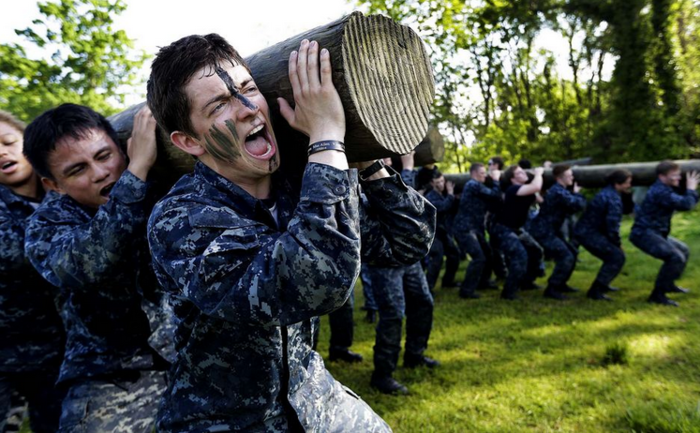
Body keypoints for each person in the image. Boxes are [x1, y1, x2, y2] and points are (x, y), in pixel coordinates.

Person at [146, 34, 435, 431]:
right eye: (220, 104)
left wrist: (362, 157)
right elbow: (318, 281)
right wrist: (328, 139)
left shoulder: (302, 182)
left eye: (248, 89)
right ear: (189, 141)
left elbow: (409, 241)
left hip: (312, 399)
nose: (248, 109)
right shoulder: (179, 219)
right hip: (228, 420)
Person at [23, 104, 170, 432]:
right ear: (53, 185)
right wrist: (134, 175)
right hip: (109, 379)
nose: (100, 173)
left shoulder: (161, 187)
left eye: (104, 156)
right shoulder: (45, 226)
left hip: (186, 365)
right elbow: (88, 262)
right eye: (77, 170)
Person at [0, 110, 65, 433]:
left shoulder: (66, 189)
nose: (1, 152)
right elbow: (19, 253)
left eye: (9, 142)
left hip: (57, 350)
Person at [364, 152, 438, 395]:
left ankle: (415, 354)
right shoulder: (364, 176)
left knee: (423, 303)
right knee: (393, 314)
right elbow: (401, 199)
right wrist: (408, 165)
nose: (385, 159)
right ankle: (383, 374)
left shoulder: (388, 174)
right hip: (384, 260)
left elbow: (410, 202)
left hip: (407, 258)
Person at [629, 161, 699, 306]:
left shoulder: (667, 187)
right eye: (674, 176)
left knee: (683, 250)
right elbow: (686, 204)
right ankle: (657, 295)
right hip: (643, 233)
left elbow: (684, 197)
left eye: (679, 175)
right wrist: (691, 188)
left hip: (655, 232)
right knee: (675, 257)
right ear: (662, 176)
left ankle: (668, 284)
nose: (678, 178)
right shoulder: (660, 191)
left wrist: (687, 188)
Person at [529, 164, 587, 300]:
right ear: (560, 177)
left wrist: (574, 193)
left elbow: (571, 206)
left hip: (550, 231)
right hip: (543, 231)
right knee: (566, 256)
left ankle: (561, 284)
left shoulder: (561, 190)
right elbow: (577, 205)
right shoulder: (557, 191)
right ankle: (552, 288)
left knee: (572, 252)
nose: (572, 177)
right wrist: (577, 193)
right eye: (570, 175)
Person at [575, 169, 632, 301]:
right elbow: (612, 225)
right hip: (588, 234)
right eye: (627, 183)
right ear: (617, 184)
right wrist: (617, 244)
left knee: (612, 256)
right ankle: (596, 291)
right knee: (616, 257)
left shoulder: (609, 193)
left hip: (587, 231)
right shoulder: (612, 199)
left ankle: (603, 284)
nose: (629, 186)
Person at [491, 166, 545, 300]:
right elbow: (536, 187)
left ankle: (527, 282)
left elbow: (540, 199)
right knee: (520, 256)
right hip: (503, 229)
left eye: (523, 171)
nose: (524, 173)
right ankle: (509, 292)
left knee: (536, 251)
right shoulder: (513, 189)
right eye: (520, 173)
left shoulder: (524, 189)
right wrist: (539, 173)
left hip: (517, 229)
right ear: (513, 179)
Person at [452, 163, 502, 299]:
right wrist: (496, 180)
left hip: (475, 228)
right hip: (465, 228)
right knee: (478, 258)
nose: (485, 175)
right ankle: (466, 291)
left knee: (488, 254)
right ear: (474, 174)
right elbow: (495, 195)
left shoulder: (477, 186)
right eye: (482, 173)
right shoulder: (472, 185)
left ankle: (483, 281)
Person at [424, 170, 459, 291]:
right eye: (438, 182)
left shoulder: (441, 195)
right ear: (432, 183)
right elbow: (443, 207)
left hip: (443, 232)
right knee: (437, 260)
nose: (441, 184)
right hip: (434, 234)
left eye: (442, 181)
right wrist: (450, 194)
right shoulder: (430, 196)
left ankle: (448, 281)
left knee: (454, 255)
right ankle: (428, 288)